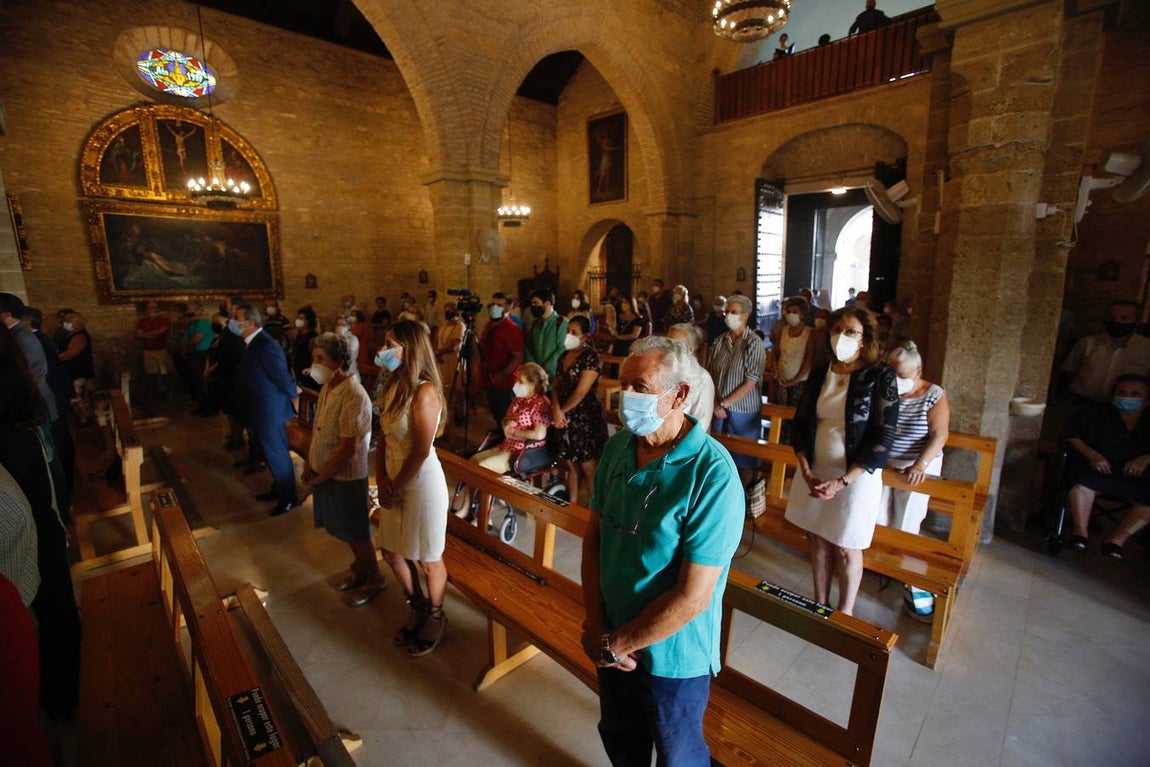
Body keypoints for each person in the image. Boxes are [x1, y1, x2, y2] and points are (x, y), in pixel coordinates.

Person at [581, 335, 744, 767]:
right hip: (612, 641)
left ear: (681, 395)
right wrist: (596, 624)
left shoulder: (712, 474)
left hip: (673, 657)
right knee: (622, 740)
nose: (626, 397)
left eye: (642, 387)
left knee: (679, 754)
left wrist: (619, 643)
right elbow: (596, 536)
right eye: (625, 384)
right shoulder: (618, 448)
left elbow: (694, 596)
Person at [784, 306, 899, 615]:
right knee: (819, 539)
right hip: (816, 470)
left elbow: (884, 435)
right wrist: (805, 469)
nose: (841, 338)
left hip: (856, 476)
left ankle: (845, 612)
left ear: (865, 339)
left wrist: (843, 480)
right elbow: (801, 422)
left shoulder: (879, 374)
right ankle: (819, 603)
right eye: (836, 331)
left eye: (850, 332)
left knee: (846, 545)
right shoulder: (822, 370)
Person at [0, 325, 81, 724]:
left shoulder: (13, 432)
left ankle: (61, 698)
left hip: (34, 544)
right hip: (39, 535)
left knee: (52, 617)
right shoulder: (18, 421)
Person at [375, 320, 450, 656]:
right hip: (393, 476)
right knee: (391, 550)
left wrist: (395, 485)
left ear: (410, 348)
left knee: (428, 558)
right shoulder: (393, 383)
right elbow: (383, 436)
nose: (384, 350)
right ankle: (416, 603)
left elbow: (420, 449)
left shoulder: (425, 391)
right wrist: (382, 480)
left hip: (421, 483)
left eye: (391, 343)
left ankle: (436, 614)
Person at [301, 332, 381, 607]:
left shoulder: (354, 395)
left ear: (338, 362)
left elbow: (349, 448)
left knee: (357, 532)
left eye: (320, 358)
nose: (315, 364)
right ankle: (360, 569)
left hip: (345, 476)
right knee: (345, 529)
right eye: (314, 358)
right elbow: (321, 427)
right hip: (326, 471)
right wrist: (311, 464)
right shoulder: (329, 387)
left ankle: (374, 579)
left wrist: (323, 474)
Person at [878, 342, 949, 617]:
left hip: (916, 464)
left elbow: (939, 434)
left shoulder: (934, 394)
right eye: (891, 373)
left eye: (902, 374)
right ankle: (880, 565)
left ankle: (902, 570)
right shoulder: (889, 389)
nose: (896, 380)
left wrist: (921, 464)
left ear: (918, 370)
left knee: (906, 519)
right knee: (879, 516)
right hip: (886, 462)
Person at [1062, 374, 1150, 559]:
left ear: (1146, 400)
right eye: (1122, 393)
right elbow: (1071, 434)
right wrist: (1092, 454)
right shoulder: (1095, 413)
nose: (1127, 398)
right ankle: (1080, 533)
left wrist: (1146, 458)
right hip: (1100, 468)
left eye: (1135, 394)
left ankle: (1117, 540)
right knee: (1081, 483)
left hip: (1137, 475)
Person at [231, 303, 299, 517]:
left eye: (237, 318)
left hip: (269, 411)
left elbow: (281, 375)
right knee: (268, 453)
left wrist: (293, 391)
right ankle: (278, 488)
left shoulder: (266, 345)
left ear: (250, 323)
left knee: (277, 454)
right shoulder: (252, 343)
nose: (234, 321)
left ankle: (289, 497)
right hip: (258, 409)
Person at [708, 293, 767, 483]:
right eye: (727, 312)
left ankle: (744, 495)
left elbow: (750, 382)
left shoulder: (753, 342)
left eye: (734, 312)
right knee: (719, 454)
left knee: (743, 458)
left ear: (746, 315)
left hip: (743, 409)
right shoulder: (720, 341)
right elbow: (710, 373)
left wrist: (724, 404)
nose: (728, 316)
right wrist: (716, 402)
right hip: (718, 408)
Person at [553, 317, 609, 506]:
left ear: (585, 336)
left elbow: (581, 391)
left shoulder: (591, 357)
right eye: (568, 330)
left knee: (588, 466)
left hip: (586, 417)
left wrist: (562, 411)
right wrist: (556, 409)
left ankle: (592, 512)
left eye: (574, 332)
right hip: (563, 415)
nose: (569, 335)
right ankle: (573, 504)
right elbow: (555, 384)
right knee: (570, 463)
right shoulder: (563, 355)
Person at [468, 363, 552, 476]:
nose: (517, 384)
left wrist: (515, 432)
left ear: (532, 384)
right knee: (472, 461)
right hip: (507, 445)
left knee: (482, 467)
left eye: (521, 382)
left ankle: (486, 492)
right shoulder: (519, 399)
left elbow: (539, 435)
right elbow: (507, 419)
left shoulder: (540, 404)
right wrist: (505, 423)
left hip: (522, 452)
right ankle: (473, 494)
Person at [1060, 300, 1150, 405]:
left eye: (1124, 318)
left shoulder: (1146, 348)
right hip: (1083, 405)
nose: (1117, 322)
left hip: (1124, 410)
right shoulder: (1087, 343)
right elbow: (1067, 373)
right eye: (1112, 318)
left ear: (1137, 322)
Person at [479, 292, 525, 426]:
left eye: (499, 305)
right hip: (490, 378)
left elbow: (518, 357)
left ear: (508, 308)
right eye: (492, 304)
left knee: (508, 416)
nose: (494, 307)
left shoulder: (512, 330)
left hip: (505, 381)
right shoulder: (489, 326)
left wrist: (503, 374)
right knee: (496, 414)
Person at [668, 322, 716, 433]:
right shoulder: (664, 371)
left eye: (675, 344)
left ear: (690, 349)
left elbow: (701, 424)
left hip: (687, 442)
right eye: (667, 343)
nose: (668, 349)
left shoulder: (703, 379)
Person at [769, 296, 816, 408]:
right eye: (789, 311)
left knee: (795, 413)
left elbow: (808, 359)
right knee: (780, 411)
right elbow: (775, 353)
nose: (791, 314)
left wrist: (795, 380)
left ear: (802, 314)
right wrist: (776, 373)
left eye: (795, 312)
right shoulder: (784, 331)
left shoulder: (809, 333)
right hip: (781, 379)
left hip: (800, 381)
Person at [525, 288, 569, 383]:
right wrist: (534, 367)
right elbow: (529, 347)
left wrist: (545, 369)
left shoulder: (562, 323)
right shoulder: (535, 324)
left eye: (535, 303)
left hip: (554, 378)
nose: (532, 306)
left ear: (547, 303)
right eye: (531, 304)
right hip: (536, 378)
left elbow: (561, 350)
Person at [175, 303, 212, 409]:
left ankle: (206, 405)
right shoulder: (193, 321)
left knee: (200, 379)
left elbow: (196, 339)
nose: (188, 311)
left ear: (198, 310)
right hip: (192, 353)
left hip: (199, 354)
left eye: (190, 309)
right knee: (194, 380)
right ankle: (200, 403)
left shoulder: (203, 321)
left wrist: (185, 349)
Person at [135, 300, 173, 398]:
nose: (154, 310)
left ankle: (168, 392)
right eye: (151, 307)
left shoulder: (164, 320)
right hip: (148, 350)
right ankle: (156, 393)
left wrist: (147, 334)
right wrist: (152, 334)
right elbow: (138, 334)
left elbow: (161, 332)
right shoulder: (142, 322)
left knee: (165, 372)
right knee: (151, 373)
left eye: (155, 307)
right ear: (146, 310)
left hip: (161, 349)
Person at [57, 310, 97, 395]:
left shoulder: (79, 336)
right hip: (72, 371)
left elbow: (71, 353)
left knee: (76, 394)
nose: (65, 324)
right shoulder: (70, 333)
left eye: (68, 322)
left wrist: (55, 357)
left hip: (78, 372)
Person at [435, 302, 464, 392]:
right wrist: (436, 353)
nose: (446, 312)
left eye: (449, 310)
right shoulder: (444, 324)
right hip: (441, 360)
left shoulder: (460, 326)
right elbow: (437, 340)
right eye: (446, 310)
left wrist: (438, 352)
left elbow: (453, 346)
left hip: (453, 360)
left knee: (456, 386)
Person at [292, 305, 321, 390]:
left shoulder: (312, 336)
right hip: (298, 373)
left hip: (308, 374)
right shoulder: (300, 334)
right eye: (298, 318)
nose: (298, 320)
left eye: (301, 318)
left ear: (308, 321)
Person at [333, 314, 360, 380]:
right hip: (336, 373)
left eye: (343, 325)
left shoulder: (353, 339)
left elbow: (350, 358)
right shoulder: (334, 338)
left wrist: (342, 338)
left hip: (350, 374)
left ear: (349, 326)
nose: (340, 327)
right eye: (338, 325)